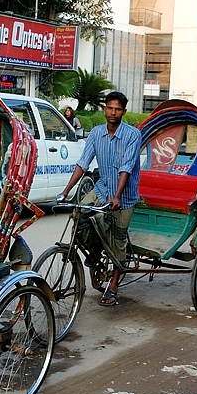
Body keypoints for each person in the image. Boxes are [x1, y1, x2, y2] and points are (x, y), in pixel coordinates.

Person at [56, 91, 140, 307]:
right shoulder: (96, 133)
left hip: (125, 196)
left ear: (124, 111)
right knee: (80, 214)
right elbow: (83, 163)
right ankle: (94, 252)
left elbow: (126, 167)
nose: (113, 112)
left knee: (118, 241)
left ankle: (113, 286)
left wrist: (117, 196)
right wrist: (65, 192)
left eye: (118, 109)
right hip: (102, 188)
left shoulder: (132, 135)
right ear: (104, 109)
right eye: (110, 108)